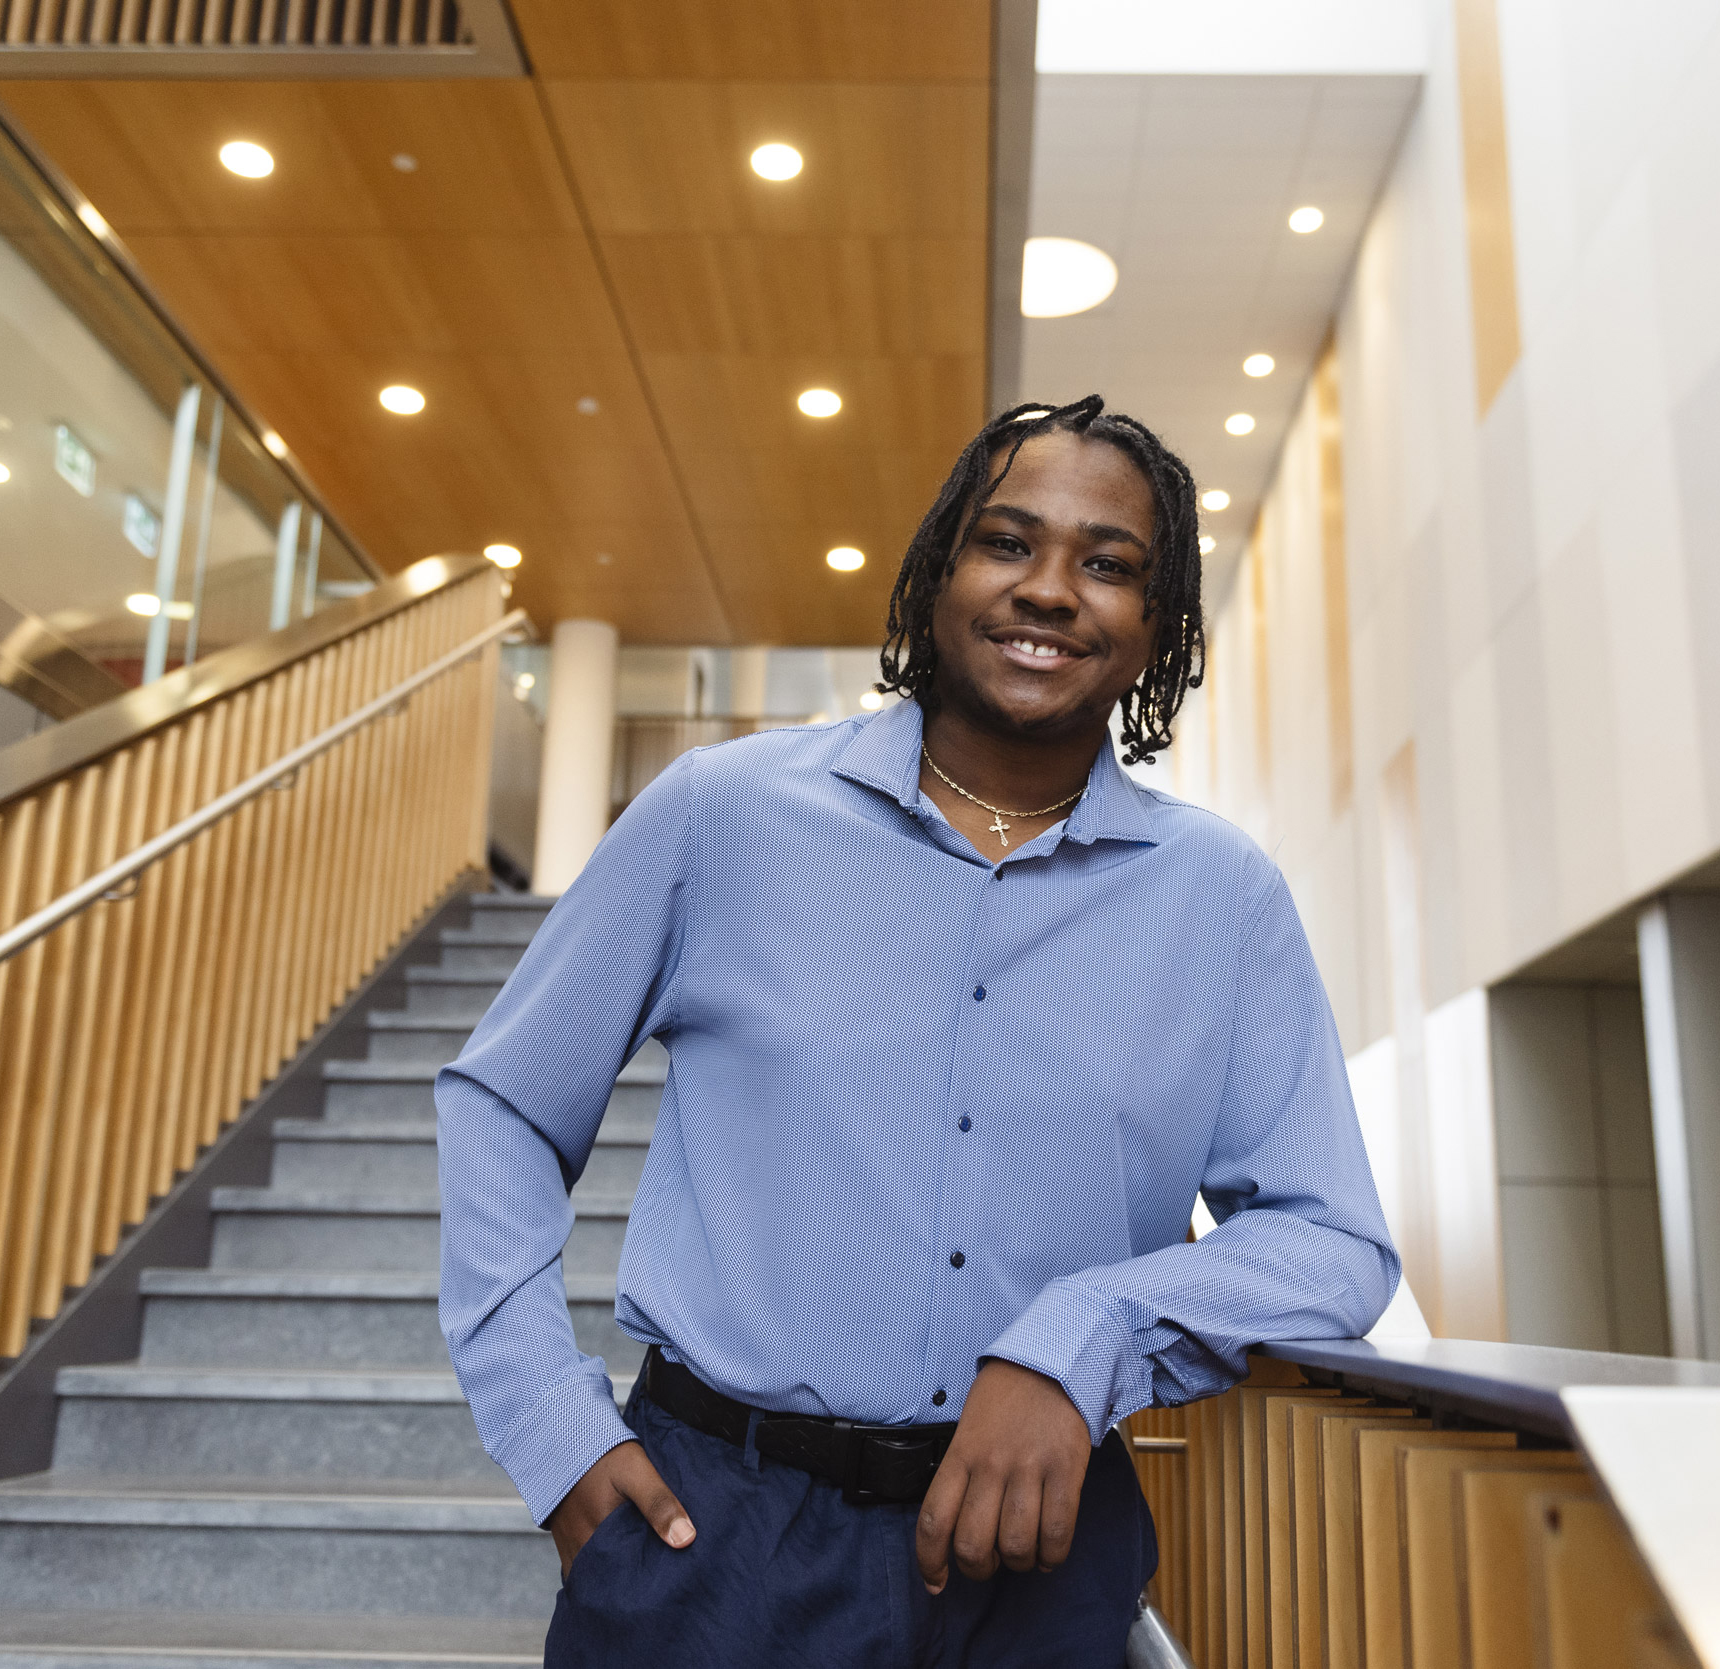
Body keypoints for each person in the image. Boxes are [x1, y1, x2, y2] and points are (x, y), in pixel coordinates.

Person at [438, 395, 1399, 1667]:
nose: (1051, 590)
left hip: (1044, 1560)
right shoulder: (723, 815)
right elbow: (504, 1102)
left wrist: (1089, 1335)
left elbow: (1332, 1243)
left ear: (1154, 629)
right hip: (712, 1544)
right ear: (937, 571)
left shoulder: (1221, 897)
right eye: (1007, 543)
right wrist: (554, 1430)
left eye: (1108, 565)